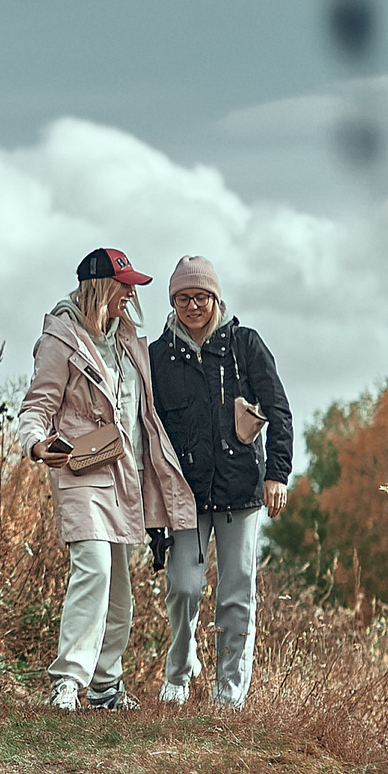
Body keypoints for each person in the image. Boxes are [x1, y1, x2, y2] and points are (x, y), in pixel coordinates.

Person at [16, 248, 198, 713]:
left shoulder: (128, 339)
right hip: (79, 470)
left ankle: (106, 686)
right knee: (93, 569)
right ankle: (67, 682)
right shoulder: (61, 339)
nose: (132, 294)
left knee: (120, 595)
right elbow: (37, 405)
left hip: (125, 475)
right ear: (101, 286)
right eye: (125, 285)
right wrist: (37, 444)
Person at [146, 256, 292, 709]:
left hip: (241, 492)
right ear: (172, 302)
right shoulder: (156, 357)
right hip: (183, 495)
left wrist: (277, 474)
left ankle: (230, 693)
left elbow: (279, 410)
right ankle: (179, 672)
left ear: (216, 297)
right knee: (184, 587)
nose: (193, 305)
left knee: (235, 595)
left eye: (201, 296)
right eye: (183, 298)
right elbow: (147, 427)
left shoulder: (245, 346)